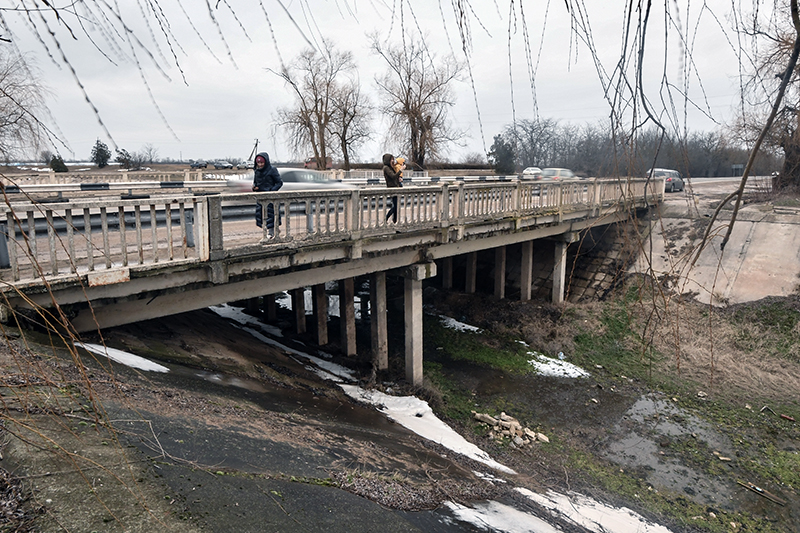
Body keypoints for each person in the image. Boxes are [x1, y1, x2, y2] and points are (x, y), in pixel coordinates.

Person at [252, 152, 283, 233]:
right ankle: (271, 231)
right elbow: (255, 182)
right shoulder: (257, 171)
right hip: (261, 197)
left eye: (262, 162)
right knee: (261, 215)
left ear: (266, 162)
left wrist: (271, 191)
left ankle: (271, 233)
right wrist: (255, 188)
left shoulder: (272, 170)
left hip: (271, 197)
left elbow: (279, 183)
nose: (260, 164)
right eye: (258, 163)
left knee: (272, 215)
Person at [382, 153, 402, 223]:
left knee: (396, 206)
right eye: (391, 159)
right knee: (395, 206)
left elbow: (394, 177)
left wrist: (399, 179)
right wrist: (401, 170)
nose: (393, 161)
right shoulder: (386, 168)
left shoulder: (390, 168)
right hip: (392, 188)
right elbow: (393, 176)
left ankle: (394, 220)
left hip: (395, 187)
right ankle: (387, 218)